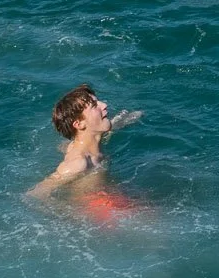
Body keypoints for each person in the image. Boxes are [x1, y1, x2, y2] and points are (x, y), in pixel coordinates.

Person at [26, 83, 144, 217]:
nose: (104, 104)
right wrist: (72, 215)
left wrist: (125, 119)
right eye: (95, 106)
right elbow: (34, 195)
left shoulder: (88, 140)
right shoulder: (79, 163)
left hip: (109, 195)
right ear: (79, 124)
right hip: (97, 207)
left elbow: (107, 129)